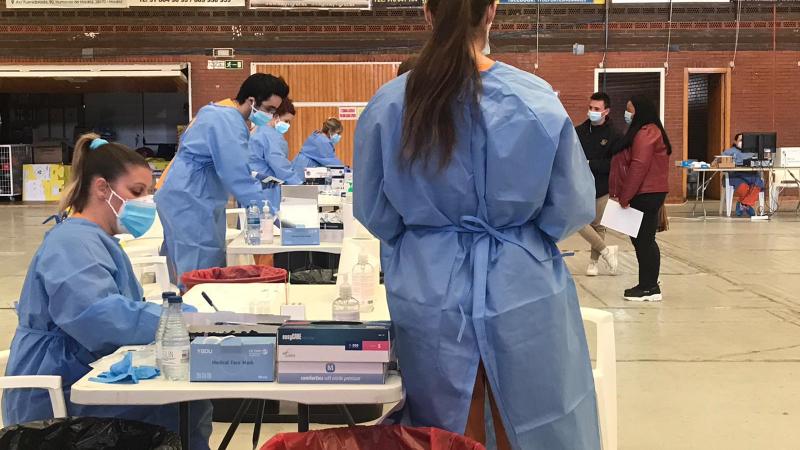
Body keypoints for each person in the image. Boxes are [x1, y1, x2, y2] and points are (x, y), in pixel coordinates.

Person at [353, 0, 600, 447]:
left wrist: (428, 238)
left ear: (427, 13)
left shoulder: (390, 104)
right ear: (492, 11)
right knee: (536, 413)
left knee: (443, 420)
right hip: (522, 280)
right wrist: (521, 236)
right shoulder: (534, 98)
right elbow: (572, 205)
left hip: (430, 283)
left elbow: (374, 211)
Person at [2, 134, 211, 449]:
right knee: (182, 406)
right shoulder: (72, 242)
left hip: (79, 370)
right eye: (137, 192)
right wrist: (176, 319)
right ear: (102, 188)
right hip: (58, 392)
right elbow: (99, 316)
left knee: (189, 396)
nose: (145, 204)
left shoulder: (97, 239)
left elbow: (118, 308)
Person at [155, 74, 289, 287]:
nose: (271, 116)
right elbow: (237, 175)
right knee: (200, 270)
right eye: (269, 109)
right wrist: (274, 214)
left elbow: (231, 165)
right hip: (191, 197)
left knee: (186, 261)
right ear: (251, 101)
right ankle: (195, 315)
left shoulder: (217, 111)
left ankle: (188, 309)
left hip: (184, 192)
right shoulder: (226, 121)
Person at [609, 95, 670, 302]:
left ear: (640, 111)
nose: (627, 114)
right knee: (642, 240)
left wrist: (625, 197)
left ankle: (649, 287)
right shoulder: (646, 131)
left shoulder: (647, 133)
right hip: (646, 192)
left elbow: (639, 166)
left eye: (630, 110)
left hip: (645, 193)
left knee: (644, 241)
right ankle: (647, 283)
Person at [575, 92, 621, 276]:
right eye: (590, 108)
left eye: (597, 109)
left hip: (602, 187)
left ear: (606, 111)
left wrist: (591, 164)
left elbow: (615, 163)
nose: (592, 112)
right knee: (577, 221)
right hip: (580, 187)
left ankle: (593, 262)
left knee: (598, 225)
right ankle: (606, 251)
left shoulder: (615, 134)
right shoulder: (578, 131)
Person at [248, 97, 304, 212]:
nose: (288, 125)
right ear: (276, 116)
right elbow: (279, 163)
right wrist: (299, 184)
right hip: (265, 189)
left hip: (254, 186)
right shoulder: (269, 135)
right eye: (286, 120)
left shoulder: (260, 130)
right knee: (267, 223)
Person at [722, 133, 762, 217]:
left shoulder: (753, 152)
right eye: (740, 140)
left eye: (745, 140)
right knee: (744, 188)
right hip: (736, 176)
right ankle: (747, 205)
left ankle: (743, 204)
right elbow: (718, 162)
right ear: (735, 141)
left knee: (758, 182)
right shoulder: (729, 151)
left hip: (751, 175)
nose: (742, 142)